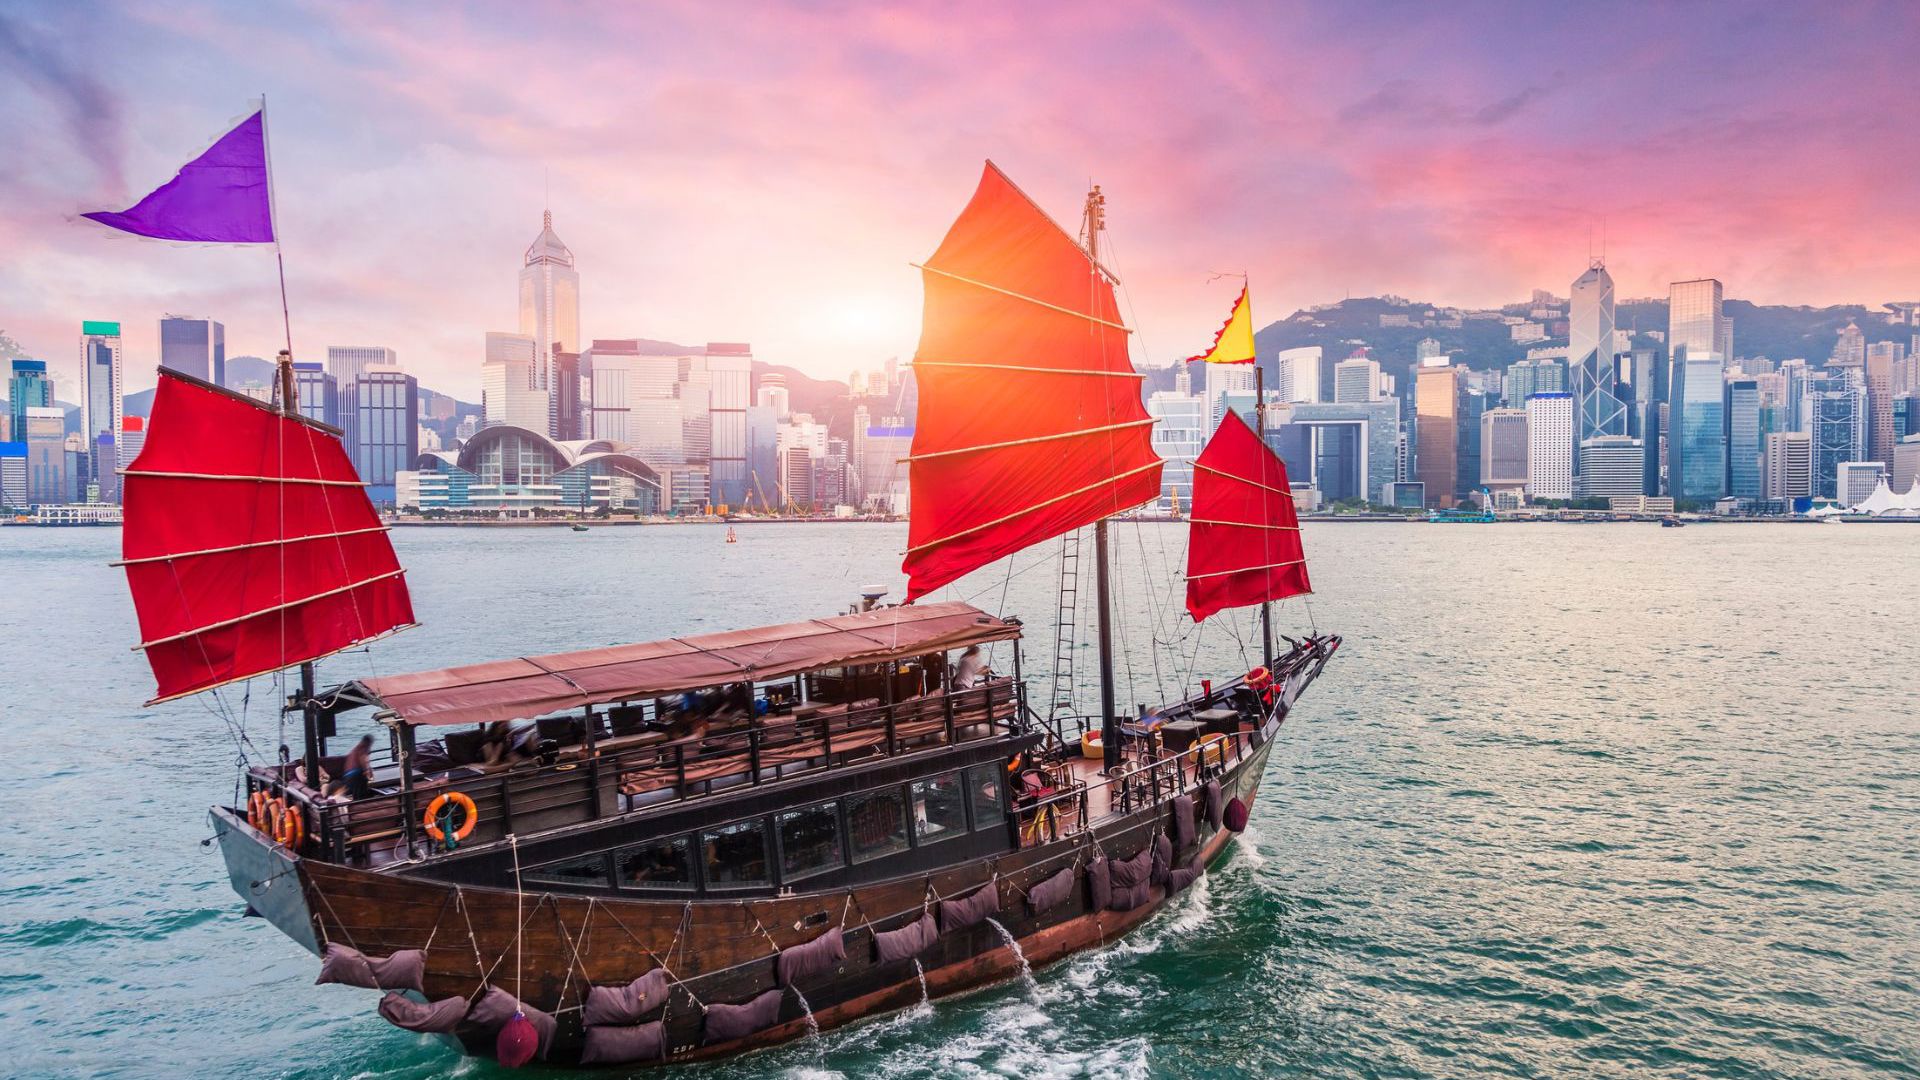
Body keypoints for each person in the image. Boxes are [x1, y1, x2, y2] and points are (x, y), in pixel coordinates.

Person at [331, 735, 375, 799]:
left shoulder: (356, 748)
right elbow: (364, 760)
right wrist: (367, 771)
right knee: (362, 791)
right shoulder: (364, 748)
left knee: (356, 793)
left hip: (347, 775)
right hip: (356, 774)